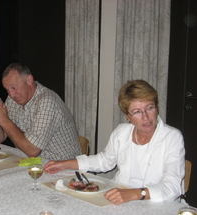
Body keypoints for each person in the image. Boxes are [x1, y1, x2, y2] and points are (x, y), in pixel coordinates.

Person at [44, 79, 185, 205]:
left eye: (149, 108)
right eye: (137, 111)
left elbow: (172, 187)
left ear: (156, 107)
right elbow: (104, 161)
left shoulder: (172, 137)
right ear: (127, 116)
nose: (146, 117)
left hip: (157, 205)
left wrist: (136, 193)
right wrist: (65, 164)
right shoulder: (121, 133)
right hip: (122, 201)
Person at [0, 63, 81, 161]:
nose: (11, 94)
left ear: (29, 80)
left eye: (14, 88)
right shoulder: (13, 99)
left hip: (62, 166)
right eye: (7, 90)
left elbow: (32, 151)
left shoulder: (47, 100)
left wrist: (4, 119)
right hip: (32, 162)